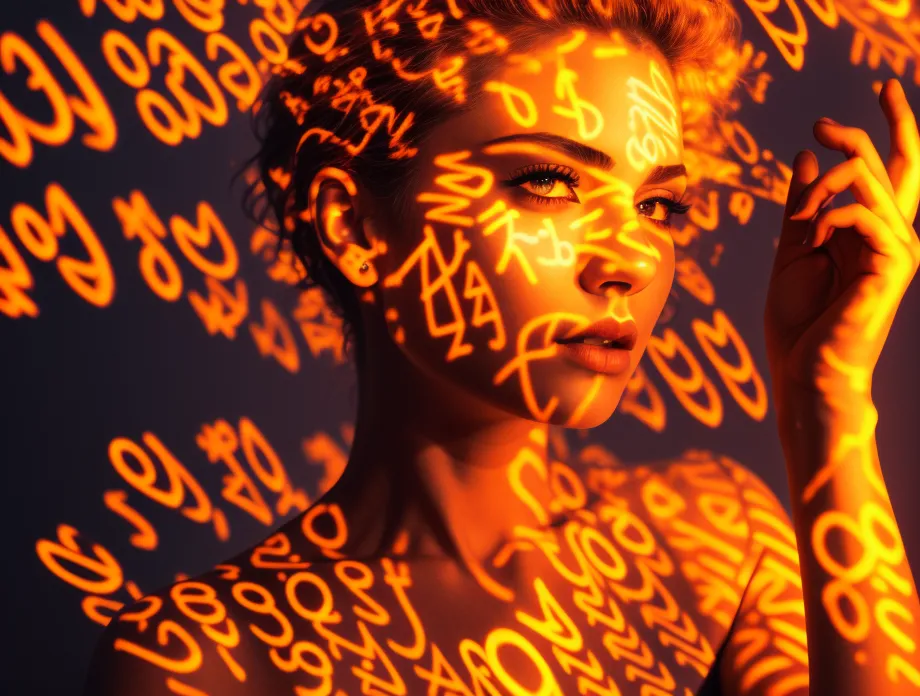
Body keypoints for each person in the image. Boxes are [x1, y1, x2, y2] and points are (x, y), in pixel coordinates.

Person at [83, 0, 920, 694]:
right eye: (548, 183)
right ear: (356, 224)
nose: (627, 257)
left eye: (658, 206)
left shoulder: (715, 539)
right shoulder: (206, 658)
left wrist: (830, 398)